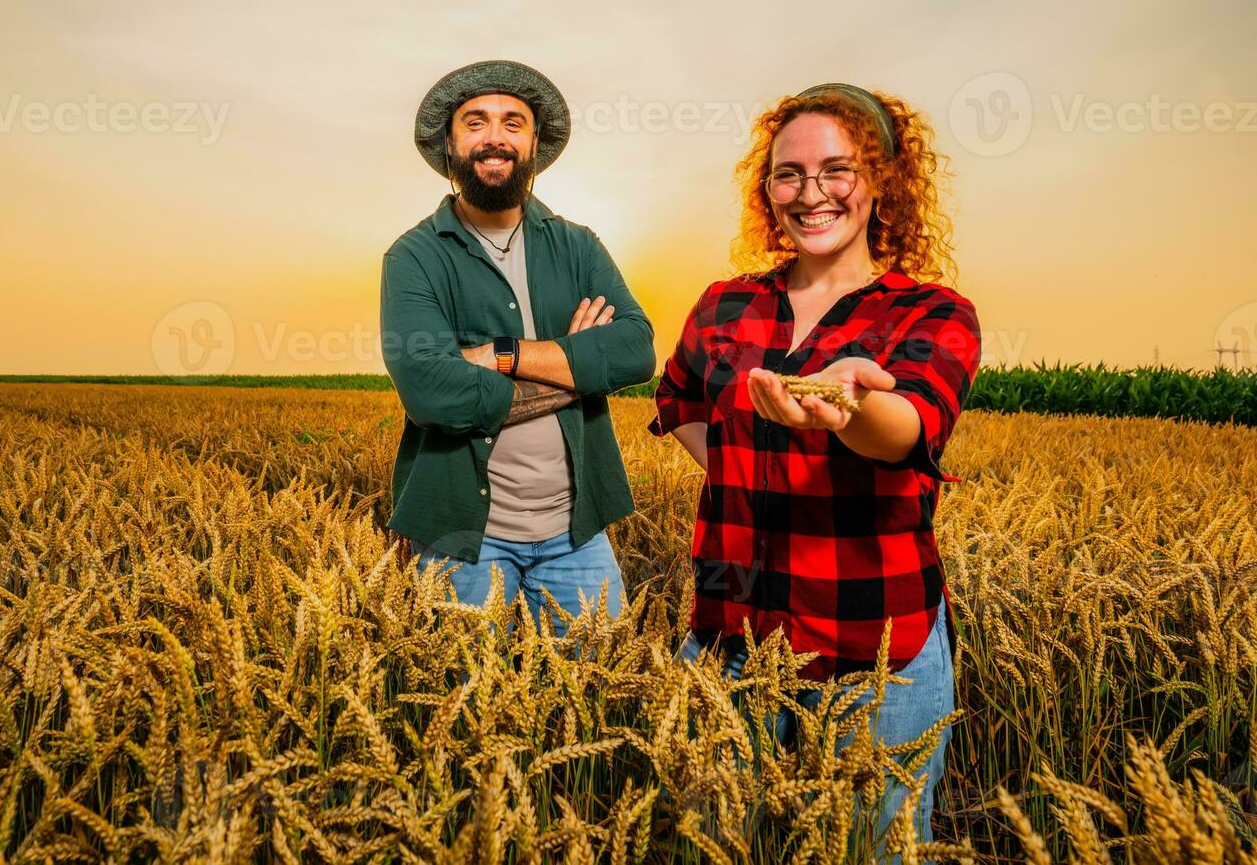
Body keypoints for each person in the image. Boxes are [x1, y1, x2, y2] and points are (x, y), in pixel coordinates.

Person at [649, 83, 981, 860]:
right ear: (767, 191)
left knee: (876, 851)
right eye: (788, 174)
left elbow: (908, 431)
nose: (811, 193)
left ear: (882, 181)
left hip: (875, 654)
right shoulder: (725, 305)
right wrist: (738, 458)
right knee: (722, 844)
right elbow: (680, 396)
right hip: (730, 638)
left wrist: (850, 408)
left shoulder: (928, 313)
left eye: (838, 170)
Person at [381, 59, 656, 636]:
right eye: (475, 122)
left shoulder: (578, 246)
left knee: (598, 696)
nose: (495, 137)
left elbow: (633, 350)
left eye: (513, 122)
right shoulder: (414, 257)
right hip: (464, 540)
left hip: (577, 537)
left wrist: (504, 353)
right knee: (463, 710)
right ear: (450, 145)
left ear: (534, 143)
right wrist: (577, 364)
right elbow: (431, 392)